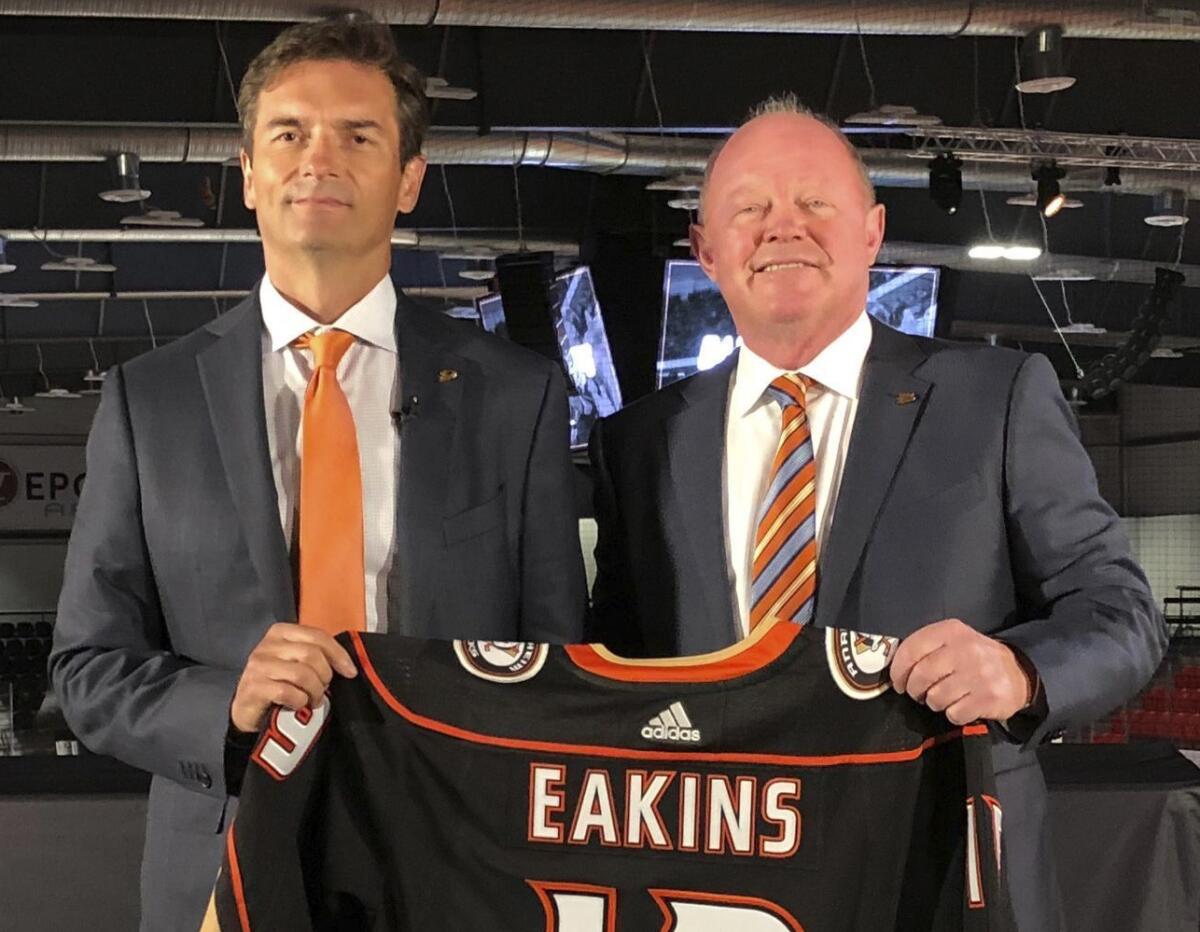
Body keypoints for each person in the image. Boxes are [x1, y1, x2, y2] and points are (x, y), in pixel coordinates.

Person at [50, 13, 585, 931]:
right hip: (222, 870)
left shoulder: (515, 398)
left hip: (460, 872)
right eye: (289, 132)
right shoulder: (152, 402)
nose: (319, 157)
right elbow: (88, 669)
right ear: (249, 173)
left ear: (408, 178)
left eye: (359, 134)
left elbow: (558, 665)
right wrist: (226, 705)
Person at [587, 96, 1166, 932]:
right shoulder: (639, 443)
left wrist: (1021, 672)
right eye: (749, 207)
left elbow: (1123, 613)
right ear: (705, 251)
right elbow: (613, 667)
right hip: (711, 882)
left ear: (872, 231)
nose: (783, 227)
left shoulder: (996, 398)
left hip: (942, 879)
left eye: (815, 201)